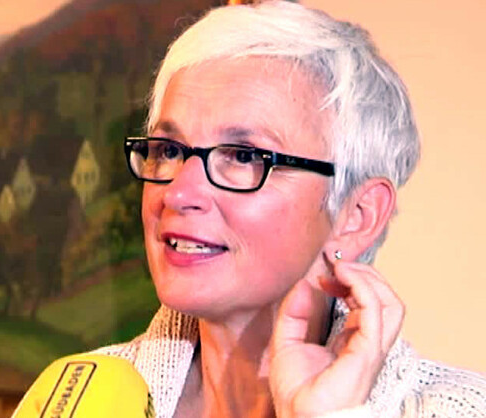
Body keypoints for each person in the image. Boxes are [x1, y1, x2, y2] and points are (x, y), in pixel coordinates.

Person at [92, 1, 486, 417]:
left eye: (244, 156)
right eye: (169, 150)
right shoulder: (73, 399)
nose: (177, 194)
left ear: (356, 216)